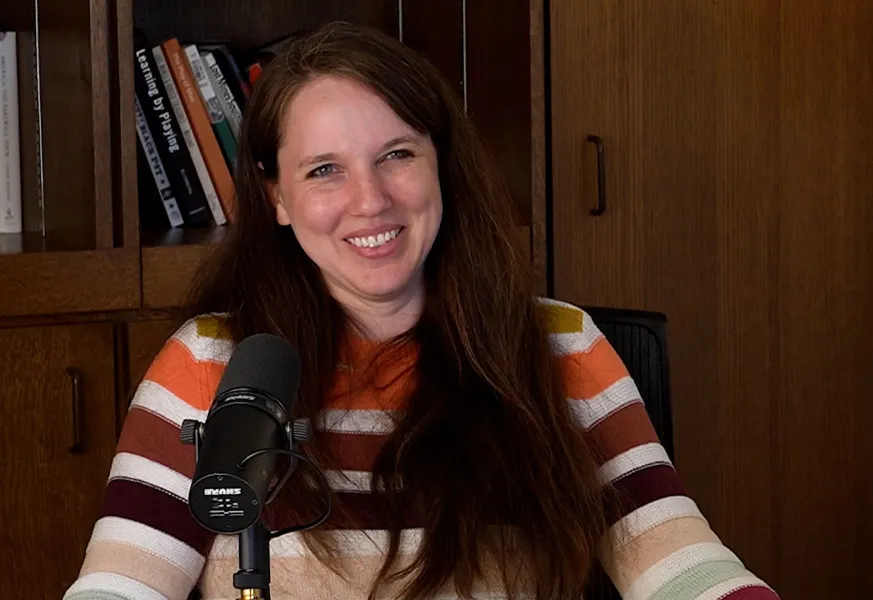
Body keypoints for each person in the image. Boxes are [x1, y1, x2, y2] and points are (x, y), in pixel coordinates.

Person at [65, 21, 780, 600]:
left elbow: (679, 560)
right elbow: (120, 585)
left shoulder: (559, 346)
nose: (370, 200)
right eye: (324, 170)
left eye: (396, 155)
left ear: (441, 162)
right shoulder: (213, 362)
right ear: (276, 197)